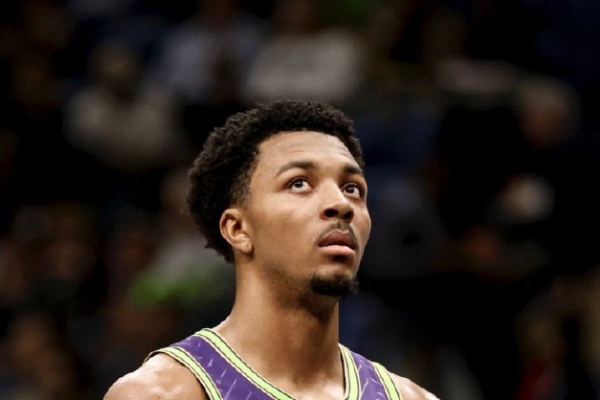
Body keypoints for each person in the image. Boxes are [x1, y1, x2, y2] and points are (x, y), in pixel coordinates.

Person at [103, 99, 439, 399]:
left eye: (352, 188)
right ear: (238, 229)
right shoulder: (163, 393)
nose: (341, 204)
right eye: (299, 183)